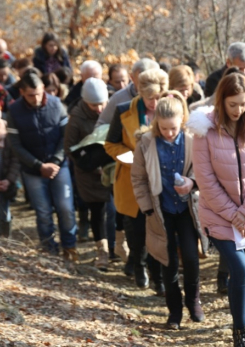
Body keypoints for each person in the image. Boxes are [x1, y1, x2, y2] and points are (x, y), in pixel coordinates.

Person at [187, 72, 245, 347]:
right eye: (232, 104)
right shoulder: (205, 131)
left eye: (243, 103)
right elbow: (205, 180)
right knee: (239, 270)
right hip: (218, 216)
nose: (238, 110)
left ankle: (241, 325)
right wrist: (232, 214)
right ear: (221, 101)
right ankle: (241, 331)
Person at [131, 93, 205, 329]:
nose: (169, 133)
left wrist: (191, 182)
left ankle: (193, 301)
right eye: (164, 128)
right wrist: (147, 209)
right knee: (167, 261)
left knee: (192, 259)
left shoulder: (194, 139)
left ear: (182, 120)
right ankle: (174, 311)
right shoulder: (145, 143)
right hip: (160, 210)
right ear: (156, 124)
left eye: (173, 128)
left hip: (187, 209)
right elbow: (139, 179)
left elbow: (203, 171)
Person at [104, 68, 168, 294]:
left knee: (160, 231)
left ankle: (159, 276)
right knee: (136, 229)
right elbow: (110, 144)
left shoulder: (170, 110)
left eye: (158, 97)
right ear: (139, 93)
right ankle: (138, 266)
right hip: (133, 181)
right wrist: (130, 157)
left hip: (162, 181)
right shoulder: (123, 111)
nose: (154, 103)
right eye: (149, 98)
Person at [6, 70, 78, 260]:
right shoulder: (14, 111)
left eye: (39, 93)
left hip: (59, 165)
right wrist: (39, 166)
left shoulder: (57, 105)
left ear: (43, 89)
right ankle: (49, 249)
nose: (36, 98)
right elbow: (16, 145)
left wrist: (55, 161)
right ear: (22, 92)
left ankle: (70, 247)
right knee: (43, 211)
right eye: (31, 95)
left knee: (66, 208)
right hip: (32, 169)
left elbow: (66, 137)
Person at [64, 78, 111, 271]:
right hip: (88, 173)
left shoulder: (113, 110)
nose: (99, 109)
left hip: (113, 169)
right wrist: (92, 166)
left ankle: (119, 247)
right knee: (98, 212)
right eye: (94, 105)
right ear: (85, 102)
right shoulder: (76, 118)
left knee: (117, 212)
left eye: (102, 103)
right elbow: (69, 148)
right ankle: (103, 252)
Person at [96, 58, 159, 127]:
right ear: (132, 77)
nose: (147, 87)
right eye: (143, 82)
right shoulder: (118, 98)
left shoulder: (165, 98)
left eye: (152, 82)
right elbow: (100, 125)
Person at [0, 118, 20, 238]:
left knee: (4, 213)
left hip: (5, 181)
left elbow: (16, 159)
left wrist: (9, 180)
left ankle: (5, 242)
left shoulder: (9, 129)